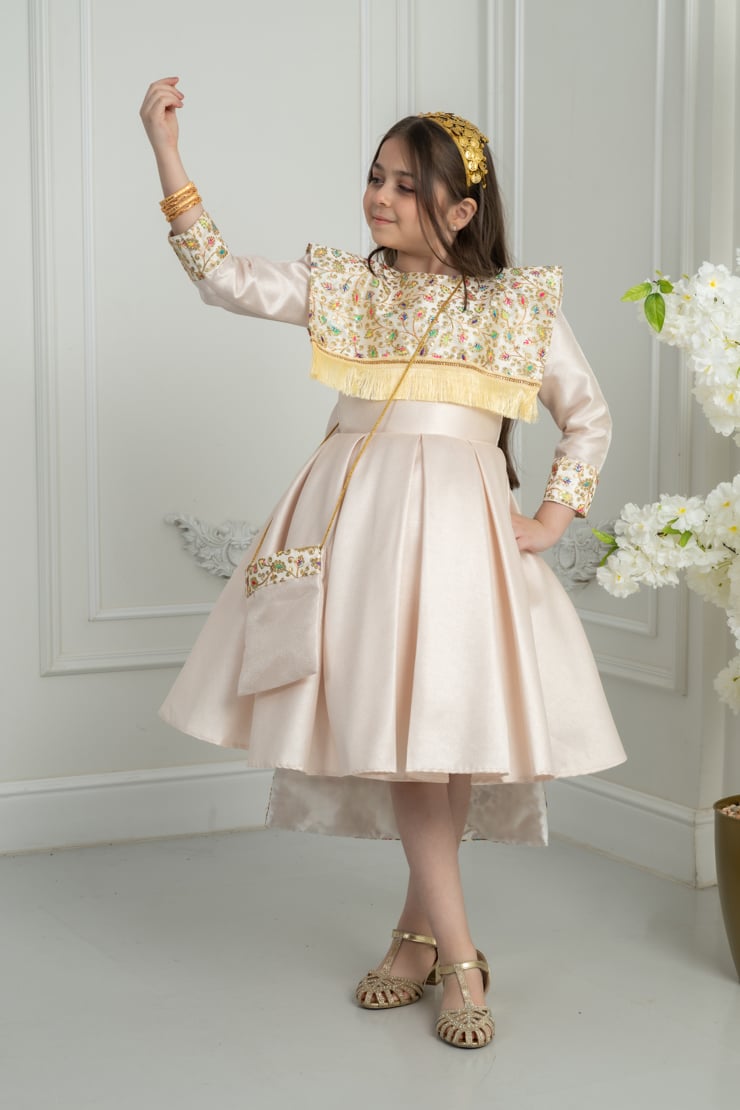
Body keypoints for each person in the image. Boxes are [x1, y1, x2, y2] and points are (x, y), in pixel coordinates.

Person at [140, 77, 626, 1050]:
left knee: (439, 734)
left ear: (461, 209)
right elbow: (222, 277)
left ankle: (422, 940)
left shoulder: (514, 304)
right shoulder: (347, 286)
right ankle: (456, 956)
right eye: (375, 178)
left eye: (406, 185)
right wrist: (167, 153)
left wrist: (550, 517)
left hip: (459, 543)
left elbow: (589, 414)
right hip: (360, 538)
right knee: (410, 741)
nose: (380, 197)